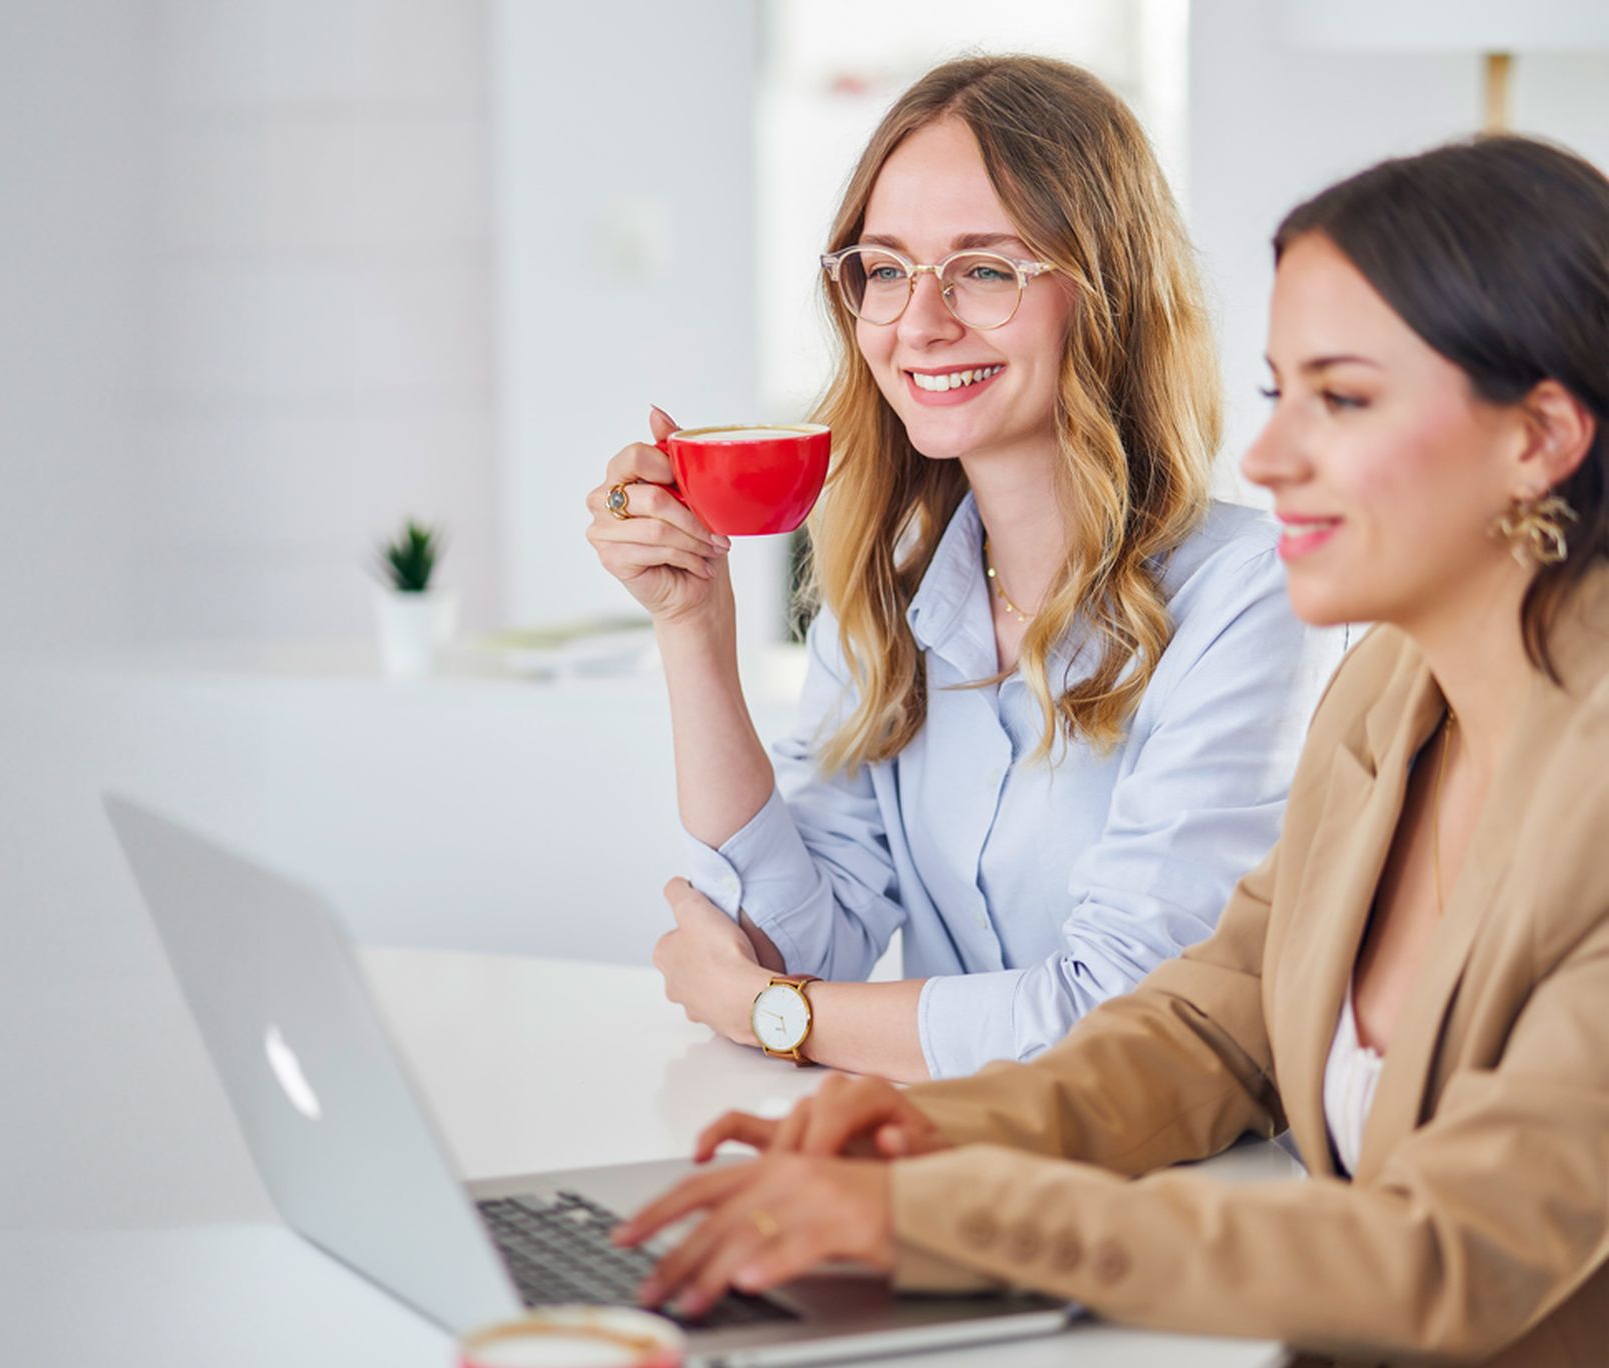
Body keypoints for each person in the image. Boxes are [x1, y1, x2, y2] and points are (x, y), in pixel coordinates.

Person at [613, 135, 1609, 1365]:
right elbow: (1209, 1026)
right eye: (1279, 394)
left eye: (1343, 399)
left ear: (1539, 436)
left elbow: (1453, 1261)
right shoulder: (1394, 699)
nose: (1268, 458)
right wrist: (933, 1137)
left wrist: (940, 1214)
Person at [582, 55, 1315, 1080]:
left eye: (986, 269)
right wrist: (691, 627)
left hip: (1166, 1176)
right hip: (936, 1153)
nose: (919, 324)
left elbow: (1124, 1022)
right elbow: (784, 950)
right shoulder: (890, 602)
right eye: (886, 269)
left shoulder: (1252, 598)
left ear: (1105, 295)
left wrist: (780, 1016)